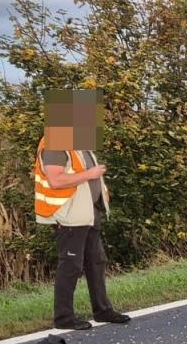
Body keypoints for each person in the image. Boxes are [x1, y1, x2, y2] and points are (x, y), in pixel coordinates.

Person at [32, 88, 131, 330]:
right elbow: (55, 180)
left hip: (89, 213)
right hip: (69, 216)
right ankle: (64, 318)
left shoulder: (78, 143)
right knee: (71, 266)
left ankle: (103, 311)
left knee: (96, 262)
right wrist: (91, 174)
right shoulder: (55, 144)